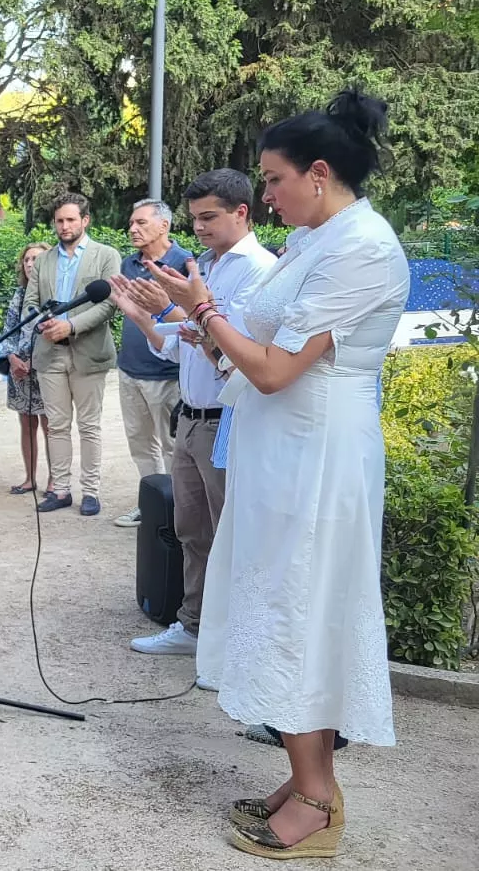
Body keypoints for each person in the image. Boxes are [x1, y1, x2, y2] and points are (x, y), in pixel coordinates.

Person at [149, 90, 404, 859]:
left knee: (300, 606)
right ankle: (305, 779)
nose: (265, 195)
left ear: (318, 174)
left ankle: (320, 804)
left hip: (318, 454)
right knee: (281, 601)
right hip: (284, 451)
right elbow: (242, 346)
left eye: (272, 179)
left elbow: (274, 370)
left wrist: (204, 306)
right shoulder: (316, 241)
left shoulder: (361, 247)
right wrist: (195, 312)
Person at [113, 170, 275, 661]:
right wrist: (142, 315)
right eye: (195, 218)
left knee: (231, 535)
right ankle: (194, 625)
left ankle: (234, 641)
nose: (199, 229)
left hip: (225, 421)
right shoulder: (204, 265)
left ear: (241, 212)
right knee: (192, 531)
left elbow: (235, 355)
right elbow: (175, 350)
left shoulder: (258, 270)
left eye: (209, 217)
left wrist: (182, 310)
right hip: (189, 418)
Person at [30, 193, 122, 516]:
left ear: (85, 220)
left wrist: (70, 326)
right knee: (56, 425)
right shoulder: (42, 260)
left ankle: (91, 492)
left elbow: (109, 303)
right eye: (59, 220)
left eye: (71, 219)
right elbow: (31, 302)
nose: (64, 226)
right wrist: (46, 324)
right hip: (49, 353)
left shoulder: (106, 255)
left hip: (88, 351)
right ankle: (61, 489)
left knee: (89, 425)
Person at [112, 199, 193, 528]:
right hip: (129, 368)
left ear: (164, 226)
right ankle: (151, 504)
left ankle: (178, 510)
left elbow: (191, 320)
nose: (133, 228)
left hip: (166, 373)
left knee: (174, 446)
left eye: (141, 222)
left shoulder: (186, 263)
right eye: (132, 223)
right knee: (140, 442)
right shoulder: (129, 263)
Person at [0, 242, 54, 496]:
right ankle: (30, 478)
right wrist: (11, 358)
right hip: (19, 369)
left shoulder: (52, 294)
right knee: (26, 423)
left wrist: (34, 362)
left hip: (47, 368)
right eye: (27, 259)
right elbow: (8, 330)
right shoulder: (18, 294)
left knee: (51, 426)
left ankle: (55, 481)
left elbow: (57, 332)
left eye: (36, 259)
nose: (31, 264)